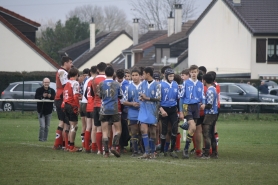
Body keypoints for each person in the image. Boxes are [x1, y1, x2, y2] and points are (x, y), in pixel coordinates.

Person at [179, 65, 205, 159]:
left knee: (193, 129)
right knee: (193, 127)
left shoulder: (200, 84)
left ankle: (186, 148)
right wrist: (181, 111)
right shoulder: (186, 83)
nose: (194, 74)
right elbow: (181, 98)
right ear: (189, 73)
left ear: (198, 72)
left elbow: (202, 96)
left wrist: (204, 104)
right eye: (192, 72)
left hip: (196, 107)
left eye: (195, 72)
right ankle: (185, 149)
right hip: (187, 106)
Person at [98, 66, 122, 158]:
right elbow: (120, 95)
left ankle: (106, 152)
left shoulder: (101, 84)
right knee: (118, 130)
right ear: (113, 74)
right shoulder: (117, 84)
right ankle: (114, 146)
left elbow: (100, 96)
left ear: (105, 73)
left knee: (104, 131)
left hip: (104, 109)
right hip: (114, 109)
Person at [138, 67, 161, 159]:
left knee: (153, 132)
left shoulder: (157, 85)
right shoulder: (142, 84)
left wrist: (146, 98)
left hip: (153, 110)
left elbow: (158, 98)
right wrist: (141, 98)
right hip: (143, 109)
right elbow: (140, 94)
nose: (142, 75)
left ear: (148, 74)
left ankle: (152, 152)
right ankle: (146, 152)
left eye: (143, 74)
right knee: (143, 129)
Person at [159, 68, 179, 158]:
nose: (171, 77)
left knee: (174, 129)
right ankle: (162, 150)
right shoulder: (161, 85)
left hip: (173, 109)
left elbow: (178, 98)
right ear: (166, 76)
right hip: (164, 109)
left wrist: (180, 110)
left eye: (173, 76)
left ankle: (172, 150)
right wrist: (161, 110)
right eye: (170, 76)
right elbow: (157, 100)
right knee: (164, 130)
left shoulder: (175, 84)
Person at [53, 56, 72, 150]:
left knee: (62, 121)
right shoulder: (63, 72)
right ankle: (65, 145)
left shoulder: (59, 71)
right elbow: (65, 86)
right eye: (70, 62)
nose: (71, 65)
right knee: (66, 122)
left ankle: (59, 144)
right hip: (62, 98)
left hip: (58, 97)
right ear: (65, 63)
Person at [123, 68, 142, 157]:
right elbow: (123, 101)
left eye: (136, 75)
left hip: (143, 112)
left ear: (140, 76)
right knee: (134, 131)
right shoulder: (128, 87)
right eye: (133, 75)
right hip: (132, 112)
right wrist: (132, 103)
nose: (134, 77)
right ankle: (135, 150)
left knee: (143, 131)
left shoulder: (144, 86)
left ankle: (142, 149)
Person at [62, 67, 81, 152]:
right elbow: (75, 96)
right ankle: (72, 146)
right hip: (71, 105)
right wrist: (77, 107)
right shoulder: (75, 83)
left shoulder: (67, 83)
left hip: (65, 104)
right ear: (77, 74)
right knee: (74, 126)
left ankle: (69, 145)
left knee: (70, 126)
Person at [201, 73, 219, 159]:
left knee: (206, 134)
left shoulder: (210, 90)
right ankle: (214, 153)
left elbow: (209, 104)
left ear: (204, 80)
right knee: (211, 134)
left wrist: (203, 106)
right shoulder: (213, 89)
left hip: (210, 114)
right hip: (214, 114)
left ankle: (206, 153)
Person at [91, 62, 107, 154]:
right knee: (106, 128)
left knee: (98, 128)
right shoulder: (107, 79)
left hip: (96, 105)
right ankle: (105, 149)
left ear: (97, 69)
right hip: (104, 105)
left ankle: (99, 150)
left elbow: (93, 93)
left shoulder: (93, 80)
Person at [35, 77, 56, 142]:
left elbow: (54, 98)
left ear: (49, 83)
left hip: (49, 111)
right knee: (42, 126)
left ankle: (45, 139)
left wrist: (51, 97)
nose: (46, 84)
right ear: (42, 83)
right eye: (45, 82)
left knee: (47, 126)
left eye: (47, 82)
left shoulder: (52, 90)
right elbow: (36, 97)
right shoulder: (39, 90)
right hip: (40, 111)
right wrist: (42, 96)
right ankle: (41, 139)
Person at [84, 66, 97, 153]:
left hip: (88, 105)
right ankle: (93, 146)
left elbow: (85, 94)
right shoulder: (94, 80)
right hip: (93, 105)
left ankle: (86, 147)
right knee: (94, 127)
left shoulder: (87, 81)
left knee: (88, 127)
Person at [79, 68, 90, 149]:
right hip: (87, 103)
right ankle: (87, 144)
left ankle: (83, 144)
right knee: (88, 126)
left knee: (83, 125)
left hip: (82, 103)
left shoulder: (82, 81)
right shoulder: (89, 80)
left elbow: (81, 93)